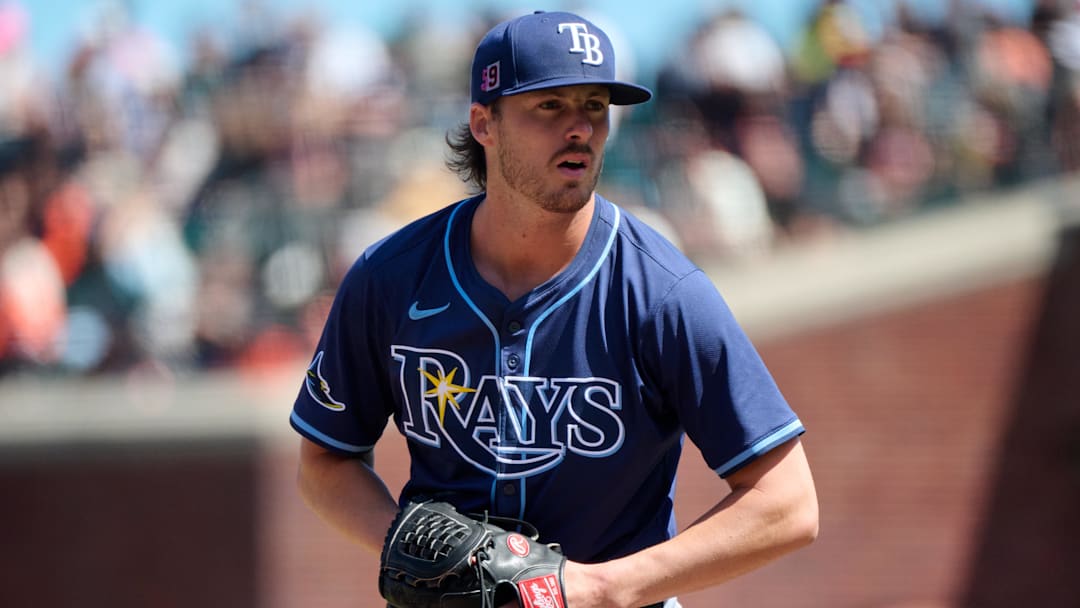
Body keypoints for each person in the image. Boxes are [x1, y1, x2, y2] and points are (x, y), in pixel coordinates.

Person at [290, 10, 818, 608]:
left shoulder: (661, 291)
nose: (581, 129)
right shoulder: (389, 277)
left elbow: (788, 502)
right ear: (483, 124)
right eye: (550, 106)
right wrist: (411, 548)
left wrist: (604, 588)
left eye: (595, 106)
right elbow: (325, 460)